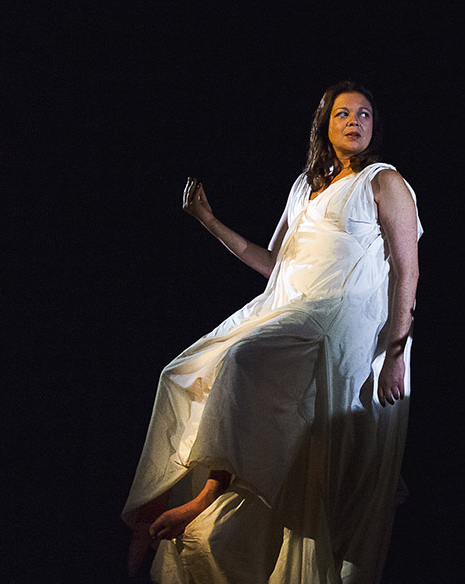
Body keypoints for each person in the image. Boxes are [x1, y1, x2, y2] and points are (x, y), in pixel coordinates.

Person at [121, 81, 422, 584]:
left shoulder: (383, 180)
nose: (355, 122)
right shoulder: (304, 186)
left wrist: (395, 353)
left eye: (365, 114)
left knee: (242, 361)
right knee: (182, 373)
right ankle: (153, 505)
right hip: (288, 306)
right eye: (344, 114)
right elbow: (272, 264)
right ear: (324, 124)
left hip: (342, 316)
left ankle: (206, 495)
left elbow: (408, 271)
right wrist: (209, 221)